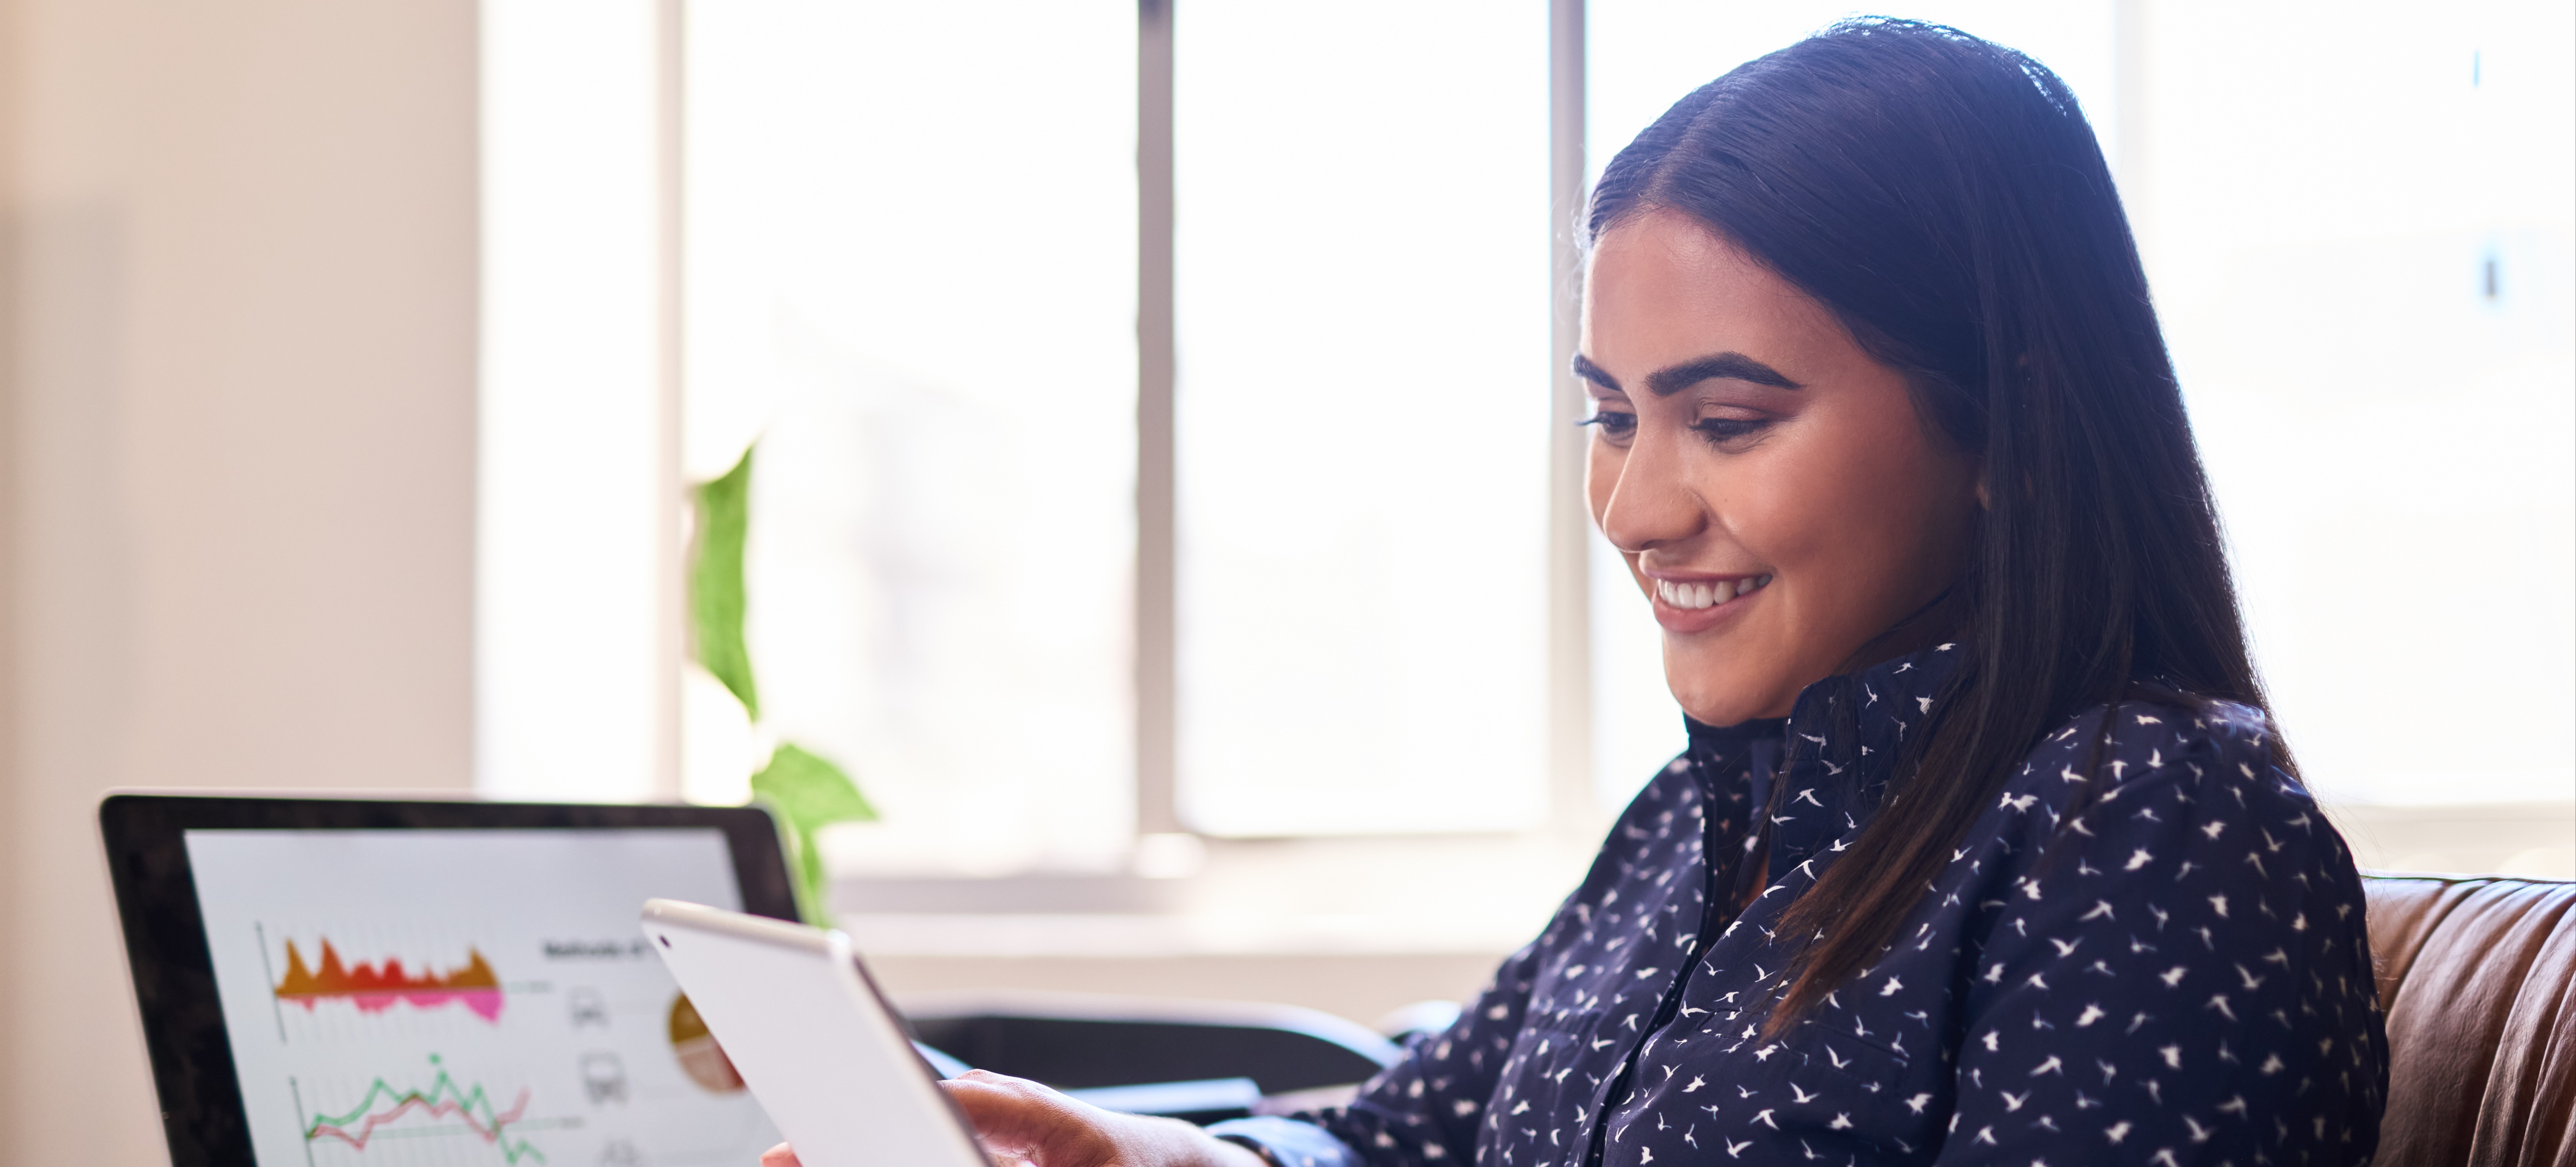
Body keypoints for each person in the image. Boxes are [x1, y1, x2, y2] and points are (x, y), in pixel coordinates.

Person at [769, 18, 2387, 1167]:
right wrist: (1159, 1159)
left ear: (2002, 426)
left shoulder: (2146, 816)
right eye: (1608, 414)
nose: (1630, 504)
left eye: (1728, 422)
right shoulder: (1697, 824)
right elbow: (1413, 1138)